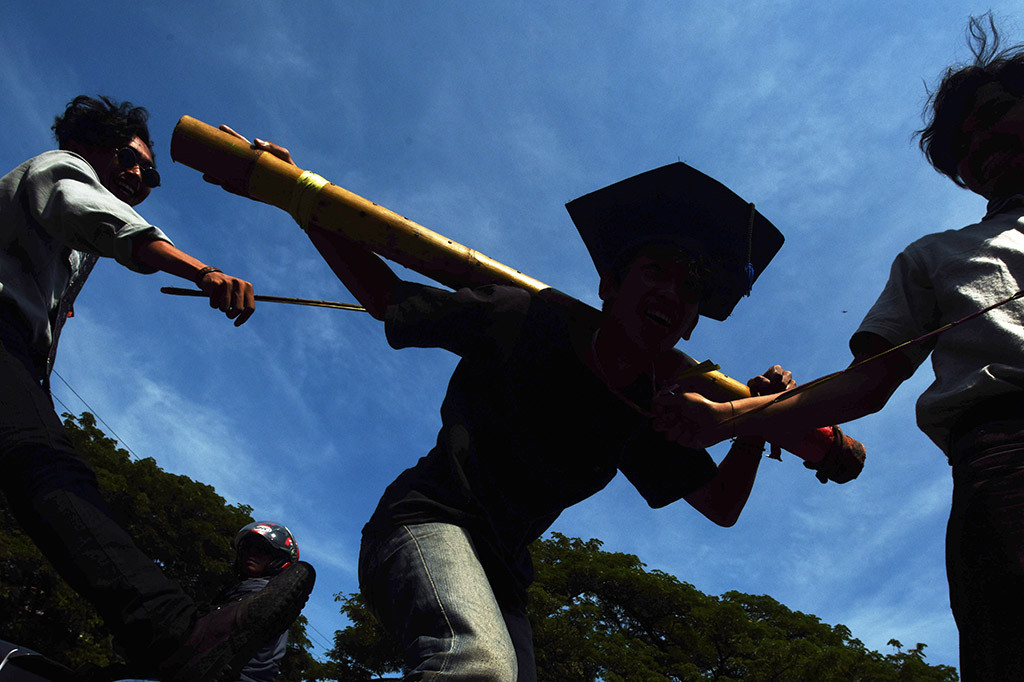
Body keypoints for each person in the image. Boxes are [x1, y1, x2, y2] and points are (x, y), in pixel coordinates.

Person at [217, 131, 859, 680]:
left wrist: (757, 419)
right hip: (424, 523)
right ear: (610, 285)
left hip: (503, 575)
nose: (673, 291)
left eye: (690, 289)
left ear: (691, 323)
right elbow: (388, 297)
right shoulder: (526, 318)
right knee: (476, 666)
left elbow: (719, 505)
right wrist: (297, 194)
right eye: (657, 270)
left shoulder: (647, 408)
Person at [656, 15, 1024, 680]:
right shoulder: (937, 257)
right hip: (1009, 458)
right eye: (963, 148)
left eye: (995, 115)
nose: (979, 146)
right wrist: (732, 418)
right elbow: (867, 382)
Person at [0, 95, 314, 682]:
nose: (140, 176)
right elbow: (111, 225)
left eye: (151, 173)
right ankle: (173, 633)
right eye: (129, 158)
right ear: (86, 144)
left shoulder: (60, 246)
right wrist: (204, 271)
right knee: (47, 466)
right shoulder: (60, 170)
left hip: (20, 351)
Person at [214, 522, 305, 682]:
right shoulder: (235, 592)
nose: (252, 554)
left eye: (262, 549)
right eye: (247, 548)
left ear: (279, 559)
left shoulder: (266, 597)